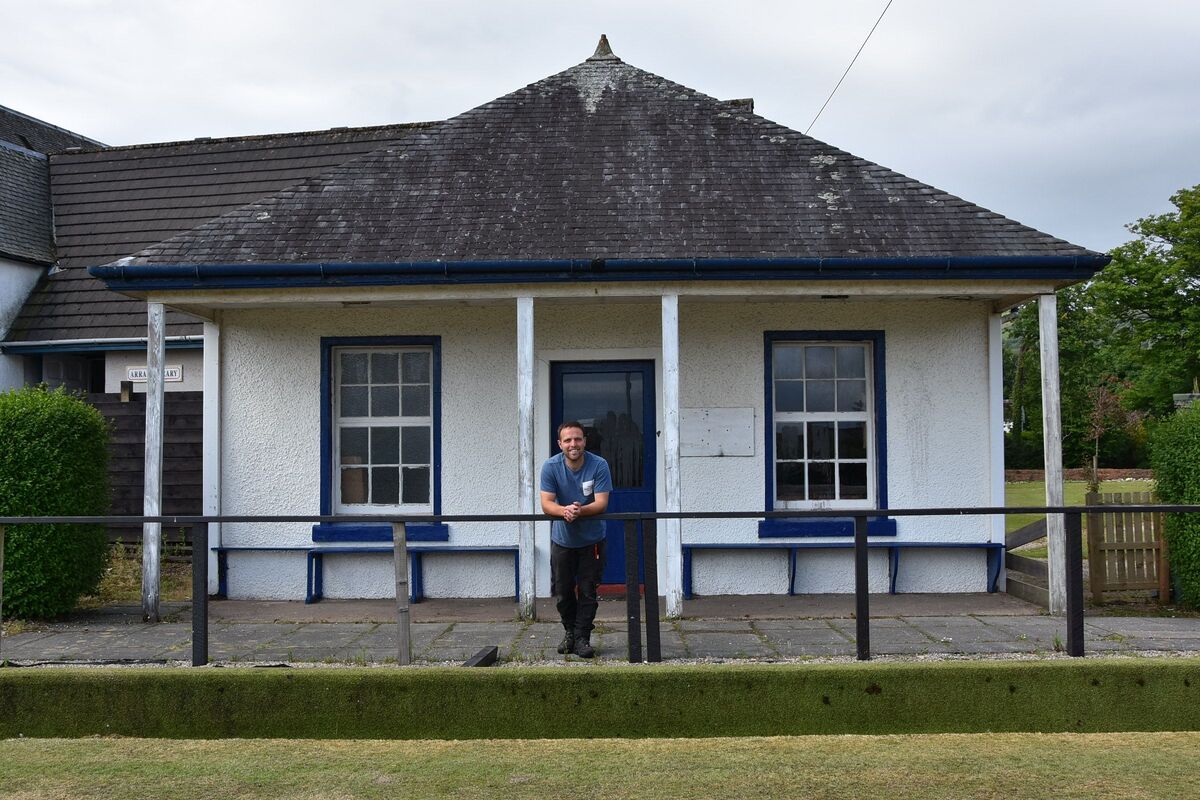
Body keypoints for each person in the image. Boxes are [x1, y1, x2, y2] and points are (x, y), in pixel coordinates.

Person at [540, 420, 612, 658]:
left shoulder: (599, 465)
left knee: (588, 591)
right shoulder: (550, 467)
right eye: (568, 440)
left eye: (578, 439)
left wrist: (580, 511)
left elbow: (601, 503)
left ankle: (582, 638)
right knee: (563, 591)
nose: (574, 444)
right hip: (562, 540)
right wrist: (565, 511)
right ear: (560, 444)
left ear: (585, 441)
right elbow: (546, 503)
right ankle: (569, 632)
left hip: (592, 540)